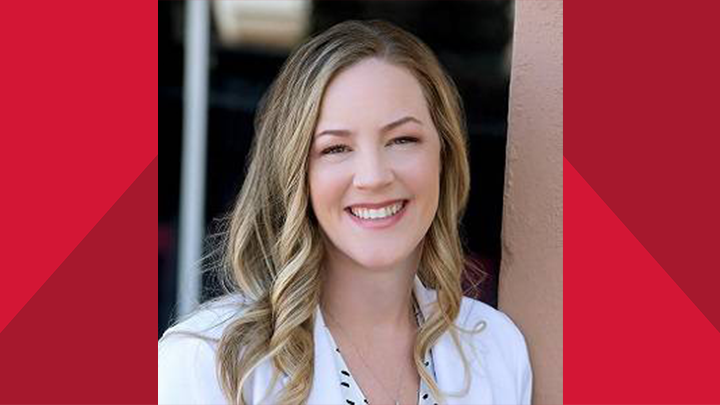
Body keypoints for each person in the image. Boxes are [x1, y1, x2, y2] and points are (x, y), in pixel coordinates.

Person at [158, 20, 532, 405]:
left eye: (403, 139)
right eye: (335, 148)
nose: (373, 177)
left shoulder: (496, 350)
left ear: (444, 156)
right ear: (295, 173)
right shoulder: (209, 361)